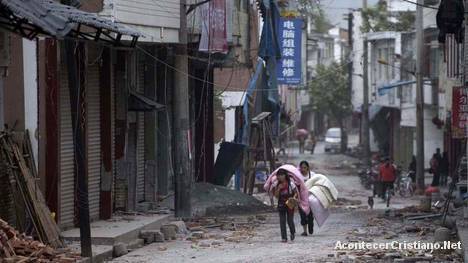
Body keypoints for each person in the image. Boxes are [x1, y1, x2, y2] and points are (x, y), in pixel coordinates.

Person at [274, 169, 298, 242]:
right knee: (282, 221)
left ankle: (292, 232)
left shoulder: (291, 184)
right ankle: (284, 237)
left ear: (285, 176)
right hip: (281, 204)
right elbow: (276, 196)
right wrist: (278, 189)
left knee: (290, 220)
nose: (280, 177)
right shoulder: (277, 185)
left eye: (282, 175)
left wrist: (293, 198)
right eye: (279, 175)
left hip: (290, 204)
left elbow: (296, 193)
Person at [298, 161, 315, 236]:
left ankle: (311, 226)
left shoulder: (313, 175)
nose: (303, 169)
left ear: (307, 167)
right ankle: (305, 231)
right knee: (302, 216)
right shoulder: (297, 175)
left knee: (310, 216)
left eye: (304, 167)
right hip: (301, 199)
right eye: (301, 167)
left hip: (310, 199)